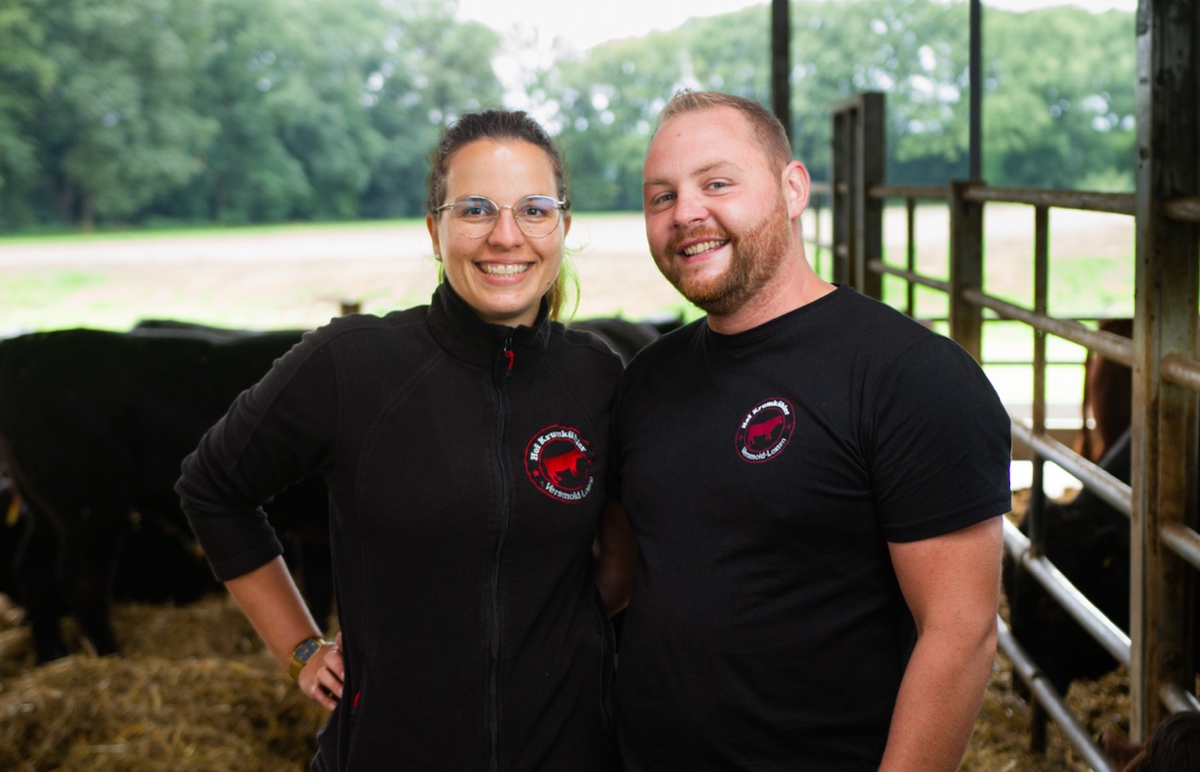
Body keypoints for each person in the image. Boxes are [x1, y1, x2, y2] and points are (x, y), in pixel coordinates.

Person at [177, 109, 635, 771]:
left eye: (534, 209)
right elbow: (212, 487)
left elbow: (617, 565)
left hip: (568, 751)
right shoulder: (353, 364)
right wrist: (300, 648)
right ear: (434, 228)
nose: (506, 236)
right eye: (476, 209)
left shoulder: (596, 375)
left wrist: (557, 652)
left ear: (562, 225)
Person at [609, 90, 1011, 771]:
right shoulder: (646, 381)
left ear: (793, 189)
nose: (687, 214)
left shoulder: (910, 376)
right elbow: (609, 580)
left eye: (717, 183)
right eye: (661, 197)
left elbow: (960, 633)